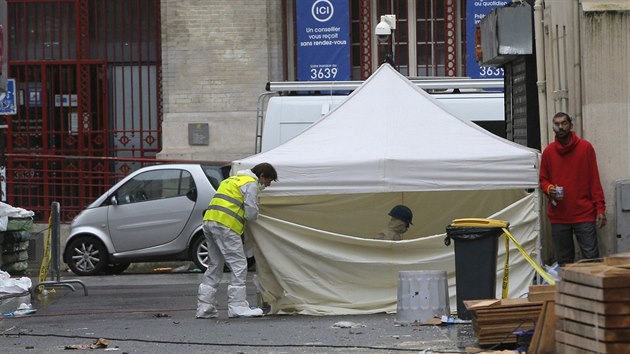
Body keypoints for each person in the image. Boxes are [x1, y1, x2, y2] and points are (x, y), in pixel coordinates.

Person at [196, 162, 278, 318]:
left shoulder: (231, 180)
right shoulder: (251, 184)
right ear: (261, 176)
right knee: (239, 265)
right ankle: (237, 307)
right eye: (268, 182)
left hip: (209, 222)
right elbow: (251, 213)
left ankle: (204, 308)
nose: (266, 186)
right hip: (226, 226)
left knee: (214, 265)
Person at [539, 112, 606, 266]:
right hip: (559, 216)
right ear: (553, 127)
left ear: (571, 125)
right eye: (557, 124)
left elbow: (594, 180)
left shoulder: (585, 148)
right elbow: (543, 180)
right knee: (564, 263)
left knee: (592, 260)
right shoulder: (548, 152)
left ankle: (592, 290)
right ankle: (568, 291)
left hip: (584, 214)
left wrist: (600, 208)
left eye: (564, 123)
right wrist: (550, 189)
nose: (560, 127)